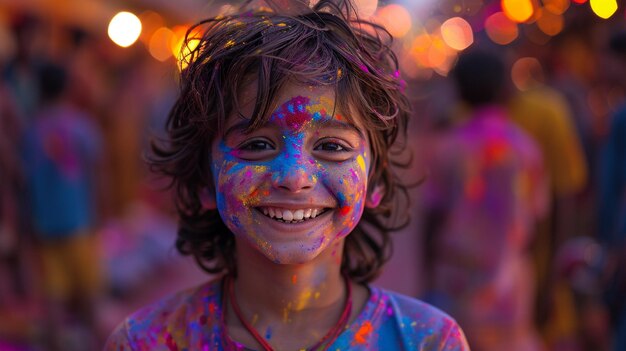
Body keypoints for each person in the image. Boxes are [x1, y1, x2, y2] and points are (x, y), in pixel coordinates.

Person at [105, 1, 470, 350]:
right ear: (204, 179)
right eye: (258, 145)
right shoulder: (146, 342)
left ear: (374, 180)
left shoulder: (429, 341)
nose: (295, 177)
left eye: (332, 147)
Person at [421, 49, 548, 351]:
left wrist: (426, 274)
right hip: (510, 280)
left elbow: (433, 218)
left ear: (459, 90)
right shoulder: (525, 146)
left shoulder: (447, 147)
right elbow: (539, 220)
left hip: (456, 280)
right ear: (505, 88)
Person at [22, 62, 104, 350]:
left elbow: (26, 179)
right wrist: (99, 214)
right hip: (79, 221)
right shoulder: (81, 126)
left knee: (53, 300)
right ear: (67, 87)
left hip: (45, 224)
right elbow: (95, 174)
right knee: (90, 298)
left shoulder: (31, 129)